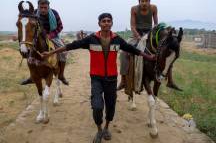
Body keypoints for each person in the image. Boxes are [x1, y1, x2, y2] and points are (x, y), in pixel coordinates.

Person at [41, 13, 155, 143]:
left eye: (108, 21)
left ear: (111, 23)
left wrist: (149, 57)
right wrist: (50, 52)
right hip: (96, 78)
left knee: (111, 106)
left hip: (111, 79)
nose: (106, 23)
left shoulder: (117, 39)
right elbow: (71, 45)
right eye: (103, 21)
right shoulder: (91, 39)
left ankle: (106, 127)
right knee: (97, 106)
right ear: (99, 24)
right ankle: (99, 129)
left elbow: (132, 49)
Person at [118, 0, 181, 91]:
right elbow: (132, 26)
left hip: (149, 34)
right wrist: (138, 37)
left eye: (146, 1)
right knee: (123, 52)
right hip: (137, 34)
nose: (144, 3)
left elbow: (156, 24)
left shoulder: (154, 8)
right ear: (139, 2)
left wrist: (160, 31)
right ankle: (123, 80)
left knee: (167, 52)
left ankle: (170, 80)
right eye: (142, 1)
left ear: (149, 1)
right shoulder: (134, 9)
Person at [20, 0, 69, 85]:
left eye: (45, 7)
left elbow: (60, 27)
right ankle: (32, 76)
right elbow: (29, 26)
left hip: (53, 36)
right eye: (41, 7)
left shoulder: (54, 13)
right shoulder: (34, 13)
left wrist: (50, 35)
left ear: (48, 7)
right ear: (38, 7)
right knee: (28, 50)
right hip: (38, 36)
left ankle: (61, 75)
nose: (43, 9)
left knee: (64, 52)